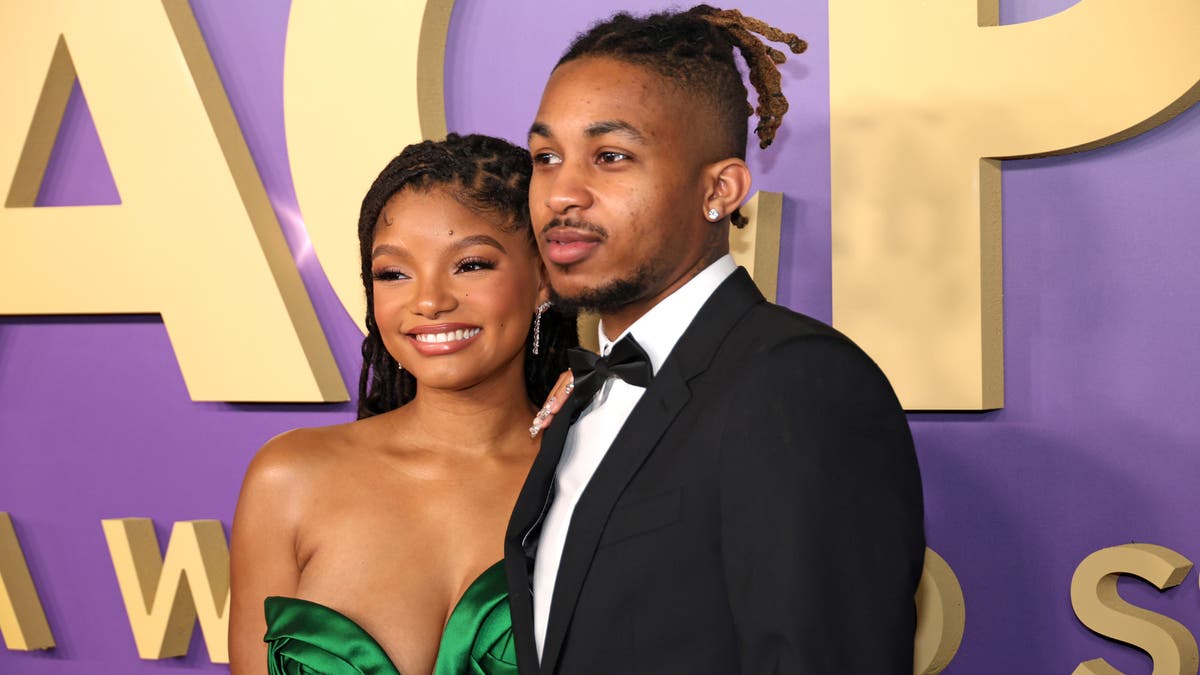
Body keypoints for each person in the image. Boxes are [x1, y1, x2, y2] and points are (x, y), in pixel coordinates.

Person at [505, 6, 926, 674]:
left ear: (720, 189)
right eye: (546, 157)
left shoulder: (796, 384)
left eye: (610, 157)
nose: (561, 193)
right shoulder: (585, 388)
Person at [228, 134, 578, 675]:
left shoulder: (591, 478)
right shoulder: (287, 479)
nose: (429, 301)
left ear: (543, 279)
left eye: (470, 264)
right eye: (394, 273)